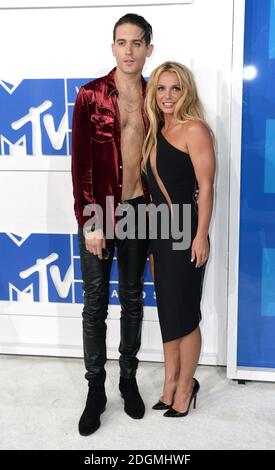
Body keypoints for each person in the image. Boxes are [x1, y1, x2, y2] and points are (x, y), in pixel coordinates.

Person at [71, 14, 153, 436]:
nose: (128, 50)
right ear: (112, 47)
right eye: (121, 42)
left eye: (137, 43)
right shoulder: (89, 96)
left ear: (148, 50)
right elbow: (81, 165)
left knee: (134, 301)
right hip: (99, 211)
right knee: (95, 305)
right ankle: (95, 390)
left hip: (140, 210)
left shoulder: (157, 95)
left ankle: (127, 379)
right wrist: (90, 222)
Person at [142, 61, 215, 417]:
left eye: (175, 88)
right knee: (169, 313)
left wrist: (201, 236)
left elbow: (206, 186)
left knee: (186, 314)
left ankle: (187, 386)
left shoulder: (194, 129)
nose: (168, 96)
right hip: (158, 233)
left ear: (186, 91)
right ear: (153, 93)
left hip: (186, 233)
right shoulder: (155, 130)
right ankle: (170, 382)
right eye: (161, 88)